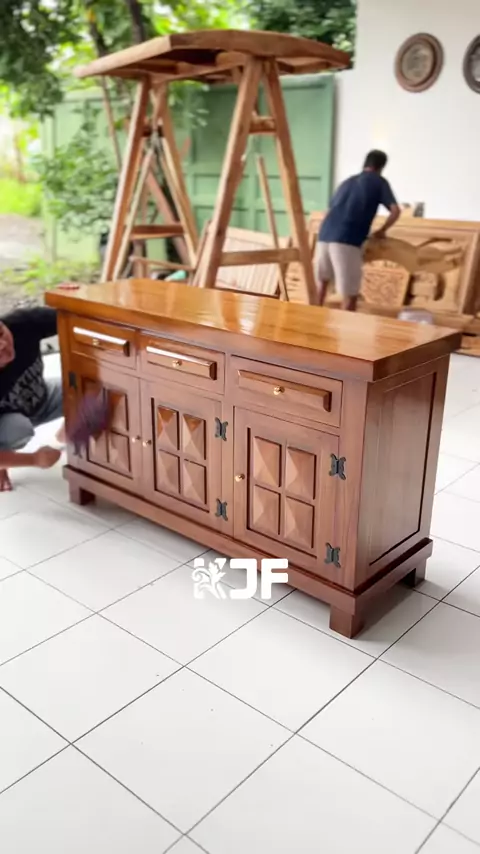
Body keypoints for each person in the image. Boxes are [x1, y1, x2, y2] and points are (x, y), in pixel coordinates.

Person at [317, 150, 401, 311]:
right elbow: (395, 211)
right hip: (346, 239)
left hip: (324, 235)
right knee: (350, 293)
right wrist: (382, 230)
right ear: (381, 167)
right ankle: (346, 326)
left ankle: (311, 321)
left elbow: (328, 211)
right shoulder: (379, 182)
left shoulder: (347, 182)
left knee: (321, 284)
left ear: (365, 163)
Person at [0, 308, 64, 492]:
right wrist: (34, 459)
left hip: (43, 397)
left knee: (87, 387)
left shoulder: (23, 323)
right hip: (9, 422)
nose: (3, 345)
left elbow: (73, 315)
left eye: (1, 333)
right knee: (18, 428)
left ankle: (68, 431)